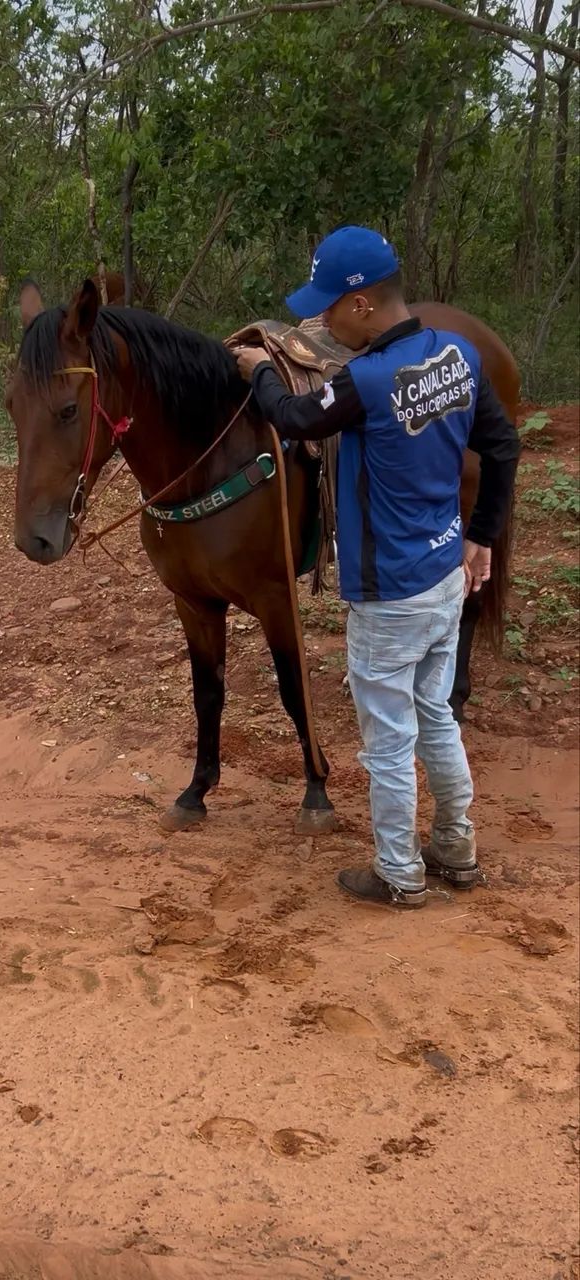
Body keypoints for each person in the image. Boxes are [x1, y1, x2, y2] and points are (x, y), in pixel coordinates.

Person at [234, 225, 520, 909]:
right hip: (444, 577)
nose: (322, 321)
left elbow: (297, 418)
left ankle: (397, 872)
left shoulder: (364, 380)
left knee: (389, 742)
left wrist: (260, 371)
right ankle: (454, 846)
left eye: (328, 308)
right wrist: (481, 536)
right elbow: (503, 448)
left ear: (361, 303)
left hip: (389, 595)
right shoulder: (455, 355)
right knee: (436, 719)